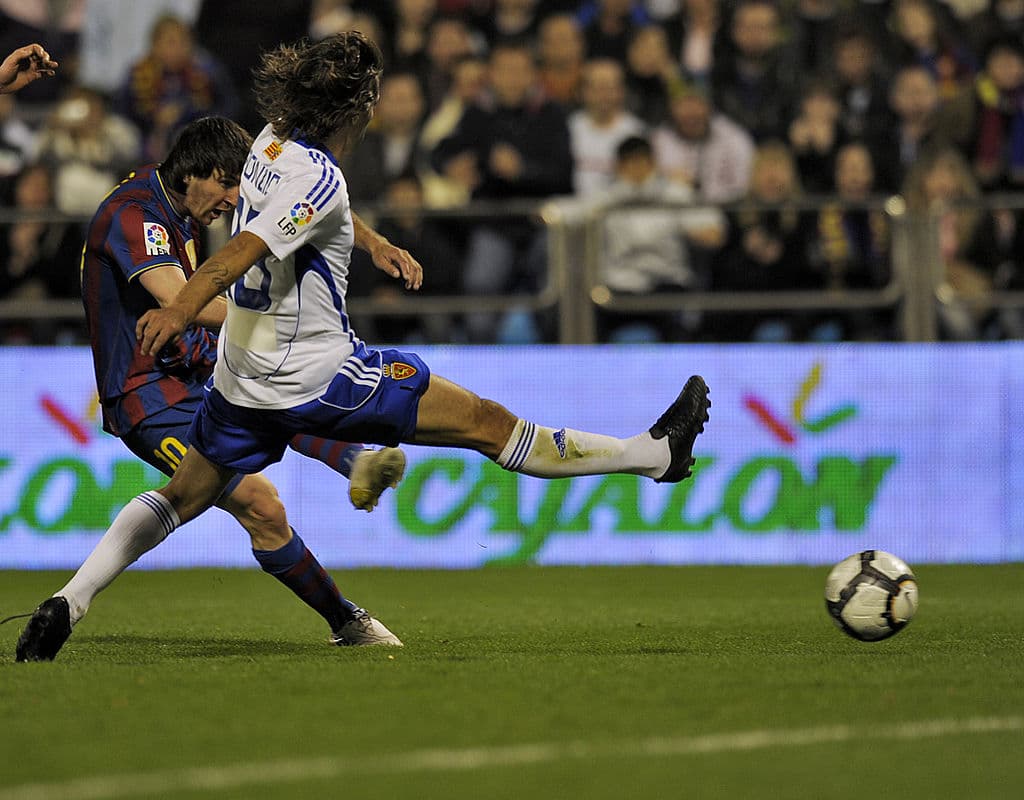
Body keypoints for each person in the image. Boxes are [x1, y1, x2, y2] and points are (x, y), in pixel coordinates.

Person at [16, 31, 710, 662]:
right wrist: (179, 308)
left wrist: (372, 243)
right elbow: (244, 250)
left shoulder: (266, 144)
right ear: (353, 110)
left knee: (182, 495)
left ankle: (69, 602)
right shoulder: (318, 178)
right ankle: (650, 454)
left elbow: (311, 212)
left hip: (239, 380)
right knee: (488, 423)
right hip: (318, 373)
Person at [13, 115, 407, 661]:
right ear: (194, 173)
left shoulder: (180, 204)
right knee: (259, 504)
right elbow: (181, 299)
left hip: (198, 374)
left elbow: (309, 200)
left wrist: (372, 243)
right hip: (148, 396)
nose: (233, 200)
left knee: (276, 393)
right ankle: (347, 617)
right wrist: (279, 323)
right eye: (225, 186)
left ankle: (355, 465)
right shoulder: (137, 216)